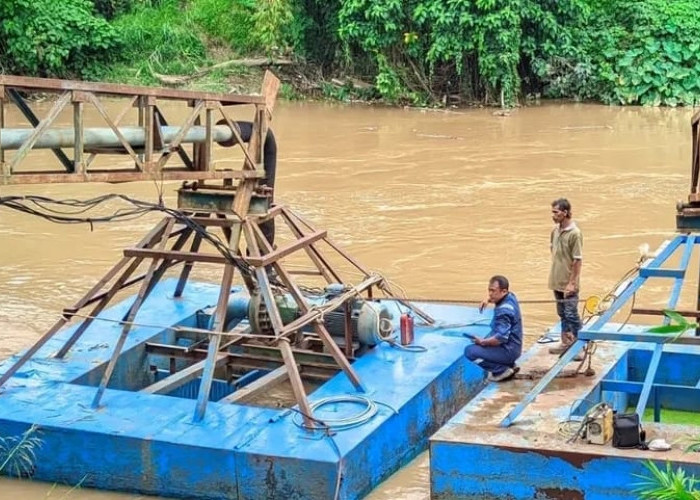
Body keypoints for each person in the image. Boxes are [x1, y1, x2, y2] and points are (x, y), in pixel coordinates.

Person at [465, 275, 523, 382]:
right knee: (491, 335)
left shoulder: (504, 311)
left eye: (493, 291)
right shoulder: (511, 297)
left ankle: (501, 370)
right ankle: (510, 364)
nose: (490, 294)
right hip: (515, 347)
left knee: (470, 351)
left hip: (508, 351)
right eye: (489, 290)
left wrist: (482, 342)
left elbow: (500, 338)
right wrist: (489, 299)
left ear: (503, 291)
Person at [548, 198, 583, 356]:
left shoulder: (575, 234)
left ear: (565, 212)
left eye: (556, 212)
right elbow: (553, 251)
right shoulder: (555, 231)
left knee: (571, 314)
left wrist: (572, 282)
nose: (553, 215)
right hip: (556, 280)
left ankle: (580, 346)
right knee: (562, 313)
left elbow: (577, 260)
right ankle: (566, 342)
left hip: (569, 283)